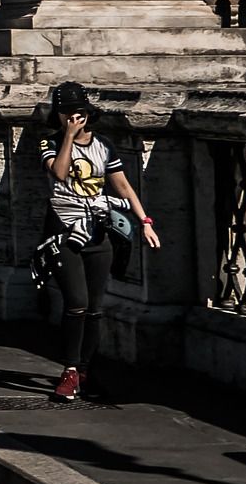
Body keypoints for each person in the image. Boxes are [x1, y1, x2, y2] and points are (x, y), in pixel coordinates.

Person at [36, 81, 158, 402]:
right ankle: (70, 370)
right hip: (63, 232)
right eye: (67, 114)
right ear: (58, 116)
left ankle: (85, 372)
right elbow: (60, 174)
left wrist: (144, 221)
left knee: (94, 308)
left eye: (80, 112)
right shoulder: (49, 143)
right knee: (75, 302)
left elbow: (124, 188)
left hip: (97, 232)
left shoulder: (104, 147)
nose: (75, 119)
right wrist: (67, 139)